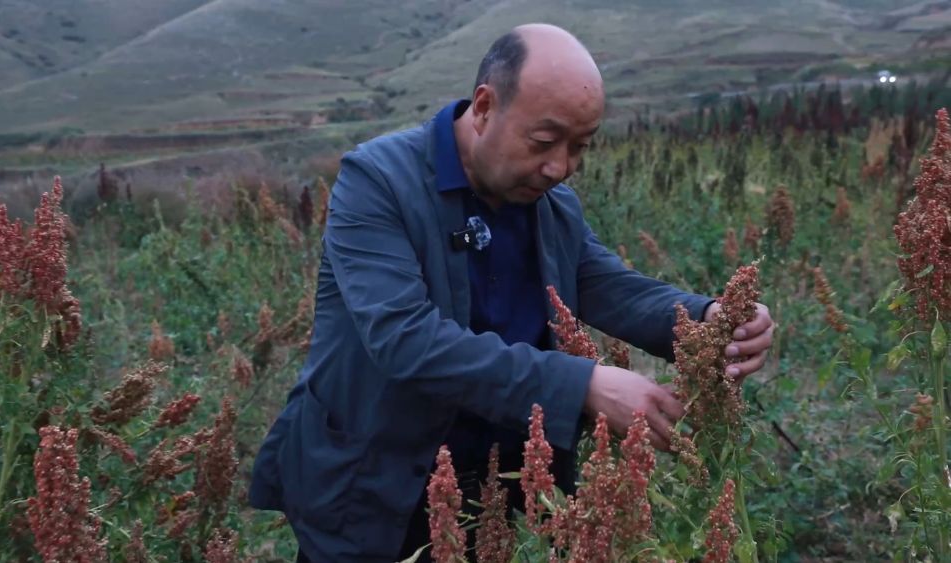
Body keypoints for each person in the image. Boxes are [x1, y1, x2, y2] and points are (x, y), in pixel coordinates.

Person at [249, 23, 774, 563]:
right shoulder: (378, 182)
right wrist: (584, 385)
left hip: (494, 501)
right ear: (484, 107)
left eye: (580, 147)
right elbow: (405, 339)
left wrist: (708, 318)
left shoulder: (551, 205)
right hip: (373, 494)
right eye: (544, 142)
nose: (560, 168)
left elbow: (604, 284)